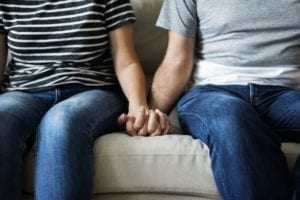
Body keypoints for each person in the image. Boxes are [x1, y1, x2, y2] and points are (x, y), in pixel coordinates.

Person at [0, 1, 169, 200]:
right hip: (24, 91)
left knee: (61, 121)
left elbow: (126, 61)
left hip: (94, 89)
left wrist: (138, 105)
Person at [148, 0, 300, 199]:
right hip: (212, 93)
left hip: (285, 94)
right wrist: (151, 113)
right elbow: (176, 60)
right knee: (231, 117)